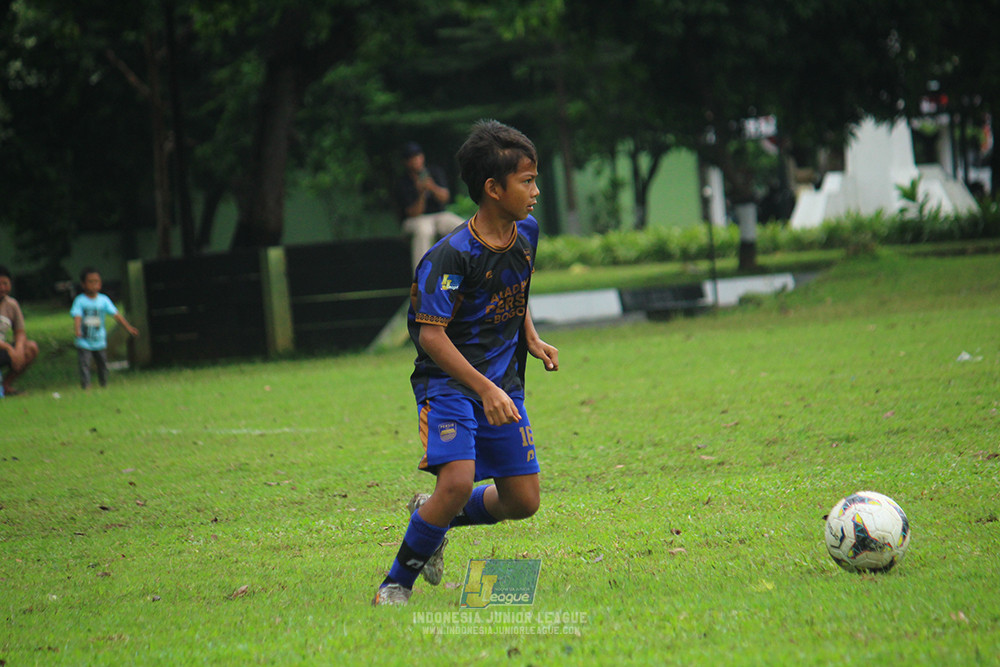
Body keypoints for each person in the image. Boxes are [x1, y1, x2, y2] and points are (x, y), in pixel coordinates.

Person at [373, 120, 560, 606]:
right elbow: (431, 336)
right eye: (527, 181)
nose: (537, 191)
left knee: (523, 501)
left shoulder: (527, 233)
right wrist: (484, 388)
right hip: (451, 385)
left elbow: (514, 292)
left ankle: (432, 515)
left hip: (503, 384)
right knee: (457, 481)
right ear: (493, 189)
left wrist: (532, 336)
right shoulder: (449, 257)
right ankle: (396, 584)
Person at [393, 141, 466, 270]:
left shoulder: (434, 172)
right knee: (424, 230)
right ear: (406, 162)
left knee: (461, 225)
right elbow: (413, 213)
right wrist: (421, 193)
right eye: (411, 158)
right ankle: (422, 281)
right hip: (414, 221)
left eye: (417, 156)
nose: (415, 160)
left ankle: (467, 273)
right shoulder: (402, 182)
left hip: (438, 216)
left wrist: (431, 187)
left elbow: (445, 198)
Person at [70, 268, 139, 389]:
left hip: (99, 339)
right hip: (84, 340)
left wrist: (128, 328)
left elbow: (116, 315)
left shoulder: (103, 300)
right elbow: (77, 316)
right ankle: (86, 386)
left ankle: (104, 384)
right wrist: (77, 330)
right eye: (90, 281)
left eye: (97, 281)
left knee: (102, 364)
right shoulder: (80, 301)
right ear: (83, 284)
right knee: (84, 364)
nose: (94, 284)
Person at [0, 265, 40, 396]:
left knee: (30, 348)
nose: (2, 288)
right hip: (4, 348)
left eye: (5, 283)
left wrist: (18, 348)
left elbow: (20, 332)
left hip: (3, 350)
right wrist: (8, 348)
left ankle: (6, 385)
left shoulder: (12, 305)